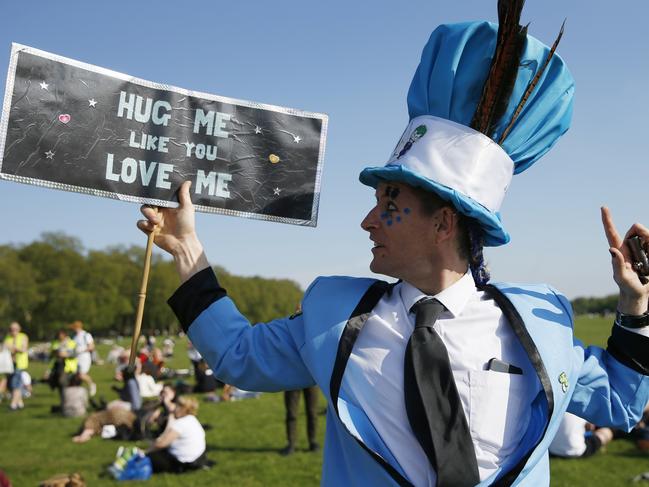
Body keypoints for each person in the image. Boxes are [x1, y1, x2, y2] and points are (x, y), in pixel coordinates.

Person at [137, 3, 649, 486]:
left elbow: (622, 404)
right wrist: (187, 251)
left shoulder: (544, 322)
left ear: (444, 222)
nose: (367, 220)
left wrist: (636, 305)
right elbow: (237, 356)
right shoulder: (330, 316)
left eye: (388, 202)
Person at [146, 396, 207, 473]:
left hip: (184, 463)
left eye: (177, 406)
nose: (175, 408)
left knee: (150, 457)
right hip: (198, 459)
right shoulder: (192, 419)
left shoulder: (180, 424)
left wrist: (145, 452)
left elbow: (161, 443)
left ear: (183, 409)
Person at [548, 413, 613, 458]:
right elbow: (591, 427)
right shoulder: (582, 408)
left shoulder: (558, 404)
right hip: (577, 451)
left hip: (552, 450)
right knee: (606, 432)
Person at [281, 387, 320, 455]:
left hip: (311, 381)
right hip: (292, 381)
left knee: (312, 413)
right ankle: (291, 443)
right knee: (291, 413)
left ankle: (312, 441)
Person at [3, 322, 29, 410]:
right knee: (11, 383)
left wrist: (13, 348)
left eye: (15, 329)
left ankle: (13, 404)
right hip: (9, 364)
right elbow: (4, 348)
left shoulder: (23, 337)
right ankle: (20, 403)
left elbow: (23, 349)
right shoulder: (8, 338)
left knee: (16, 383)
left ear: (19, 329)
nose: (13, 331)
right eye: (11, 329)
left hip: (19, 364)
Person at [70, 320, 97, 396]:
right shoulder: (74, 336)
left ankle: (92, 385)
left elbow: (91, 346)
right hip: (76, 358)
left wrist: (81, 350)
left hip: (84, 357)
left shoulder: (86, 335)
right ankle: (77, 391)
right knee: (75, 375)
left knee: (81, 374)